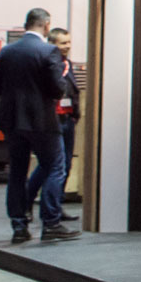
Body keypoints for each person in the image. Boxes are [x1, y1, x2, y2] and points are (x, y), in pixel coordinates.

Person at [0, 8, 76, 242]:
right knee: (55, 167)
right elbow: (58, 88)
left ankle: (19, 227)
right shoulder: (48, 51)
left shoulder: (6, 51)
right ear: (47, 25)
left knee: (17, 173)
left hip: (12, 120)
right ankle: (51, 223)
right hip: (41, 120)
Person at [49, 27, 84, 223]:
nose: (67, 46)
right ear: (52, 44)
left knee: (66, 164)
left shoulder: (68, 64)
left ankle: (57, 205)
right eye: (63, 43)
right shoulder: (49, 65)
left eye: (69, 42)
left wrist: (75, 115)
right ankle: (48, 209)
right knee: (56, 166)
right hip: (53, 121)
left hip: (68, 119)